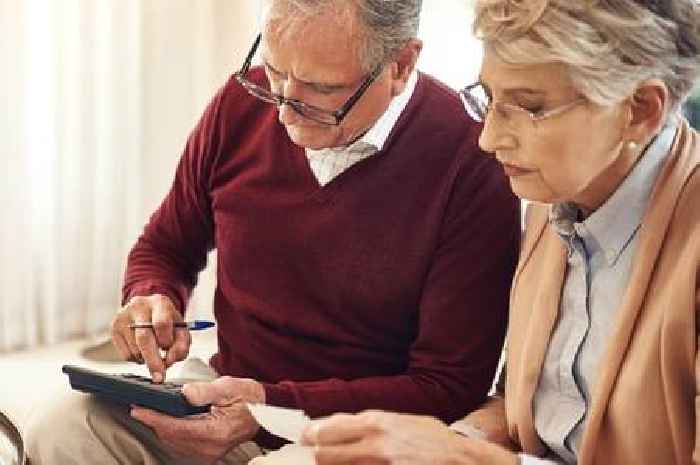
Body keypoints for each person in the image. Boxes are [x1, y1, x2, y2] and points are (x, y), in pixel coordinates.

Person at [25, 0, 520, 464]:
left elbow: (447, 385)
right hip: (226, 393)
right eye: (276, 73)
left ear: (400, 65)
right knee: (62, 429)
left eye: (320, 92)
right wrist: (151, 298)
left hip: (356, 432)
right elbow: (165, 248)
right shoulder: (243, 102)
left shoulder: (474, 157)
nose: (282, 110)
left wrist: (268, 403)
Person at [290, 0, 700, 464]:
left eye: (528, 107)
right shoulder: (558, 203)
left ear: (640, 110)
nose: (489, 138)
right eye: (488, 98)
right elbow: (528, 411)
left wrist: (466, 459)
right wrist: (450, 441)